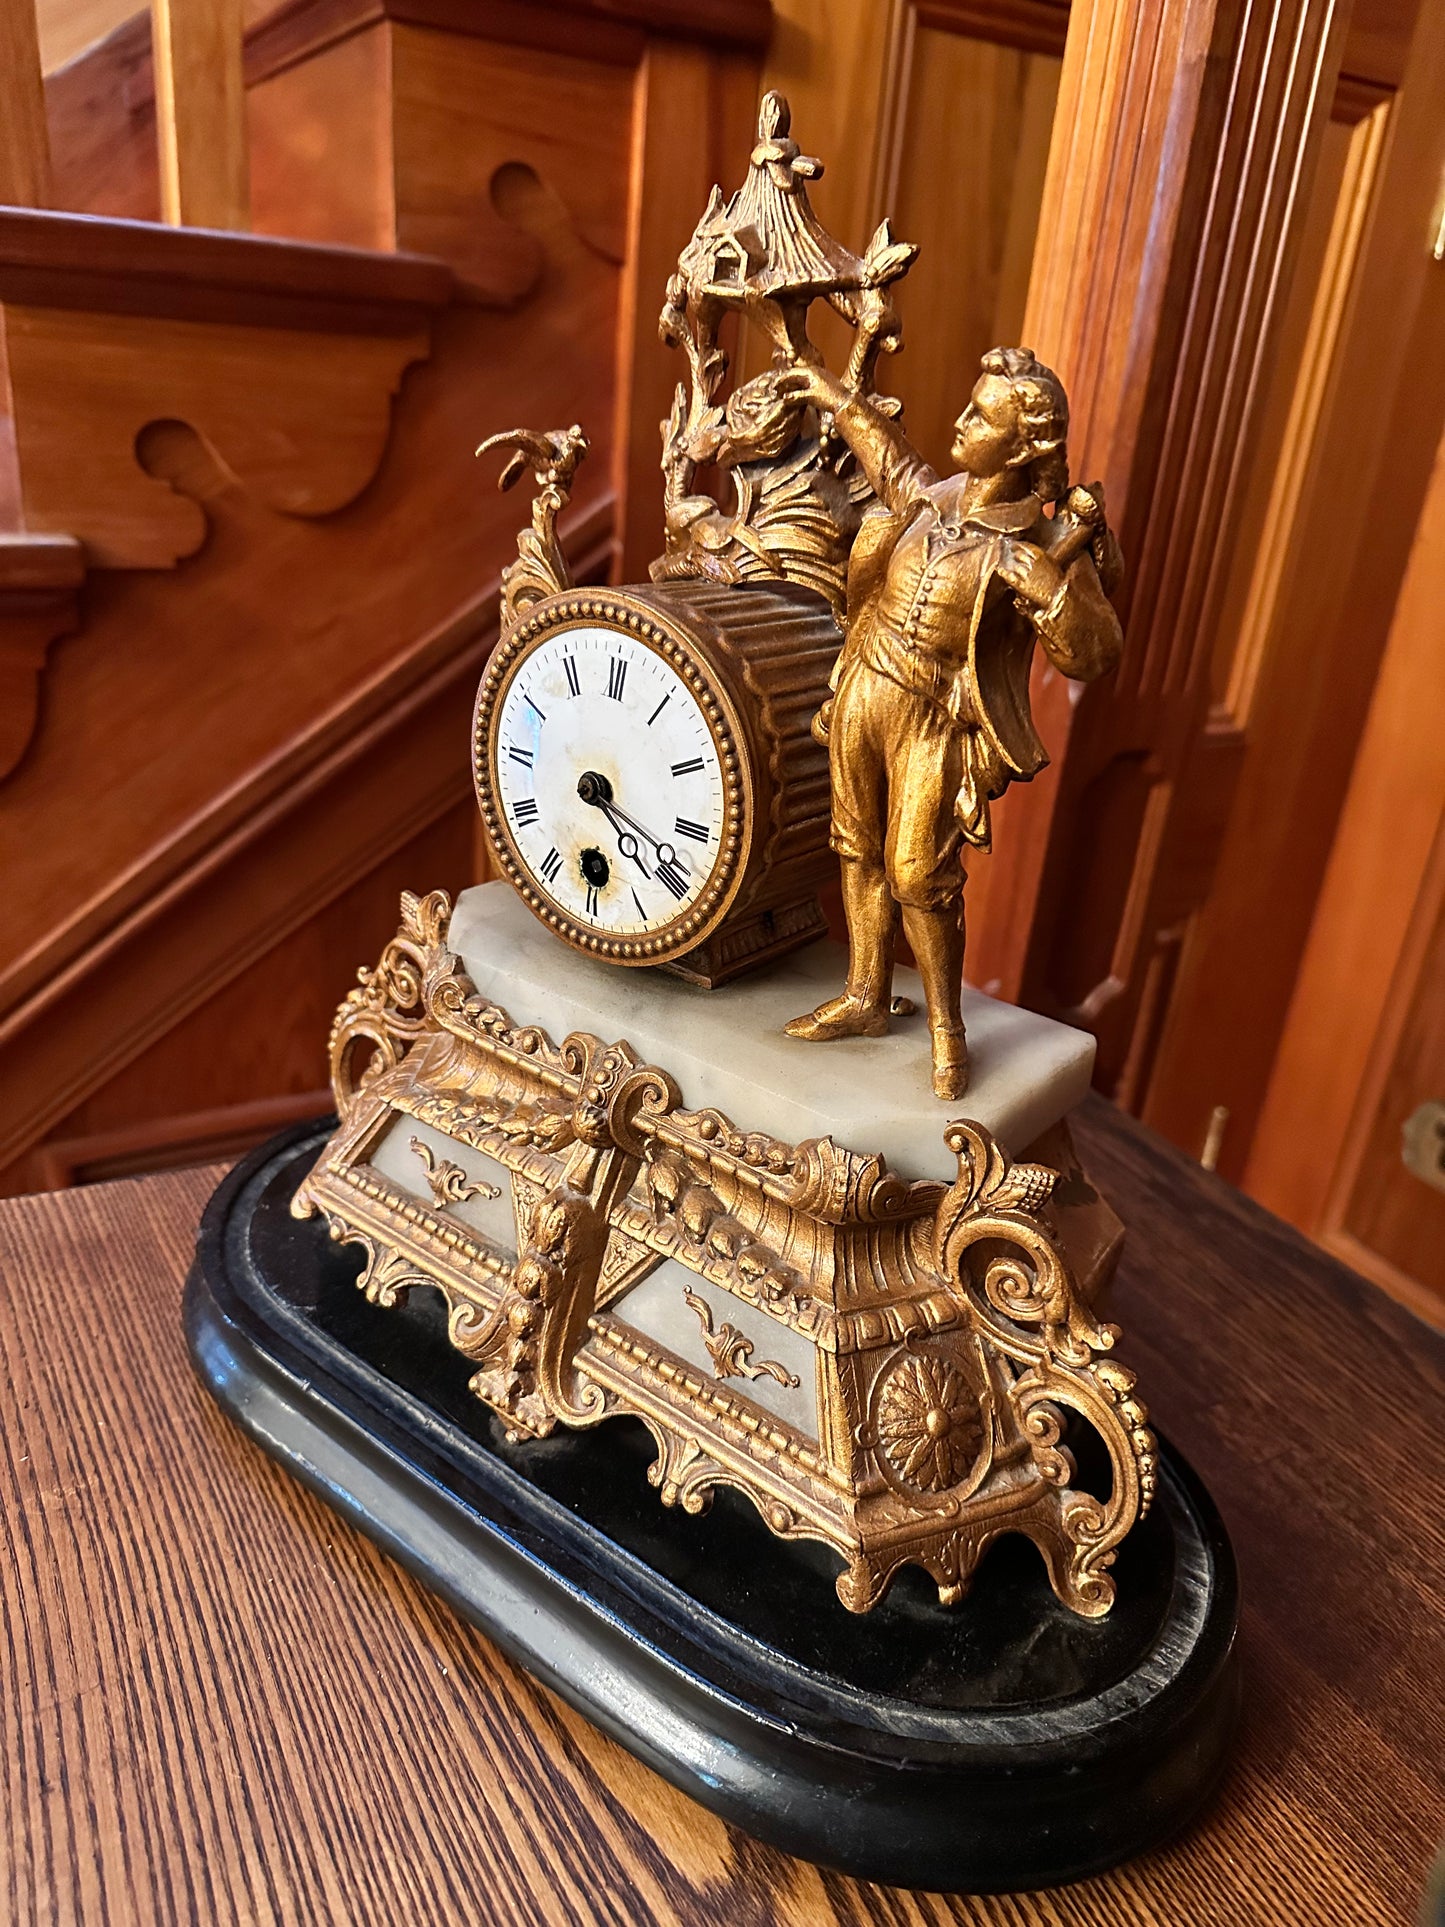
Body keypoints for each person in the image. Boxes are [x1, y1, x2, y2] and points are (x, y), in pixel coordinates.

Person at [781, 346, 1124, 1098]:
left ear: (1024, 447)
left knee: (918, 875)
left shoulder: (1041, 544)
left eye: (982, 418)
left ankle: (946, 1030)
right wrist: (832, 395)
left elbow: (1094, 654)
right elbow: (887, 457)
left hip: (935, 715)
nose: (961, 423)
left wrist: (1052, 594)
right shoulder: (932, 498)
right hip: (866, 683)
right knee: (855, 845)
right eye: (969, 407)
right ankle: (866, 995)